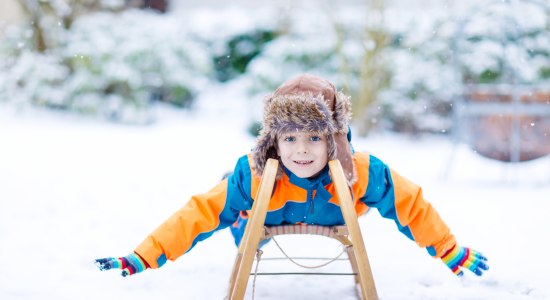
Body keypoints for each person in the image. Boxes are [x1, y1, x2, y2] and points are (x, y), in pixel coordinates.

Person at [96, 74, 489, 279]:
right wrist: (141, 257)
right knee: (228, 199)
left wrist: (449, 250)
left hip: (333, 210)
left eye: (315, 137)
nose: (302, 150)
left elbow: (412, 206)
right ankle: (242, 220)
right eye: (291, 137)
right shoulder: (254, 174)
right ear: (274, 140)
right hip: (266, 211)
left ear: (334, 139)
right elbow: (197, 213)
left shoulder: (365, 173)